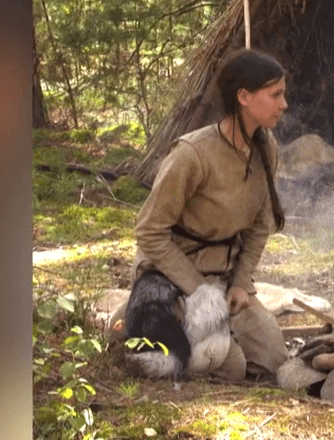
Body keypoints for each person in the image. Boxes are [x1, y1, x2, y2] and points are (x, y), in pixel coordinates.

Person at [122, 48, 292, 381]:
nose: (284, 104)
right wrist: (200, 292)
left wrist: (241, 284)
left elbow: (260, 227)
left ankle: (217, 332)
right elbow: (150, 232)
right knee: (230, 368)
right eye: (275, 95)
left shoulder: (266, 147)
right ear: (243, 97)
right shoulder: (192, 154)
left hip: (225, 278)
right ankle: (138, 320)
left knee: (274, 360)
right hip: (175, 277)